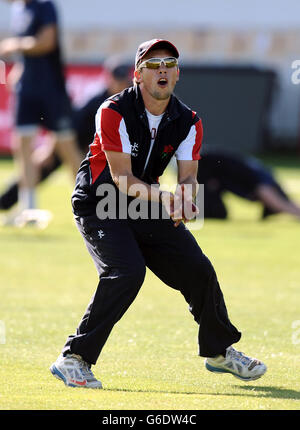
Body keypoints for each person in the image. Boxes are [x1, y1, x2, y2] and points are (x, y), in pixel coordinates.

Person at [50, 39, 267, 389]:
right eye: (153, 64)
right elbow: (120, 178)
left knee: (198, 269)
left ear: (178, 74)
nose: (162, 69)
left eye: (169, 63)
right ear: (138, 75)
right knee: (126, 272)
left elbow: (189, 176)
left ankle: (219, 350)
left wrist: (185, 198)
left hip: (145, 201)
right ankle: (73, 358)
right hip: (99, 200)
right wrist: (167, 198)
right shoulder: (113, 110)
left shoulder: (188, 120)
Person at [0, 59, 133, 214]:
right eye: (118, 79)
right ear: (110, 79)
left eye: (124, 80)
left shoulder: (129, 100)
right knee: (39, 170)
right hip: (72, 146)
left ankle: (110, 210)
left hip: (98, 151)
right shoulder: (96, 101)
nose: (121, 84)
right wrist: (50, 148)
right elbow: (67, 128)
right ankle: (4, 202)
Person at [0, 0, 82, 225]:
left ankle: (88, 206)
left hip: (51, 90)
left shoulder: (45, 6)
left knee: (66, 146)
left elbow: (47, 42)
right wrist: (19, 70)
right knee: (22, 145)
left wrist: (14, 44)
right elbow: (28, 55)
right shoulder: (19, 9)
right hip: (26, 89)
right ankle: (29, 209)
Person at [197, 151, 300, 220]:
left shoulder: (259, 183)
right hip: (254, 173)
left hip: (256, 175)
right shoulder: (207, 163)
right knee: (281, 202)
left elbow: (276, 200)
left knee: (281, 203)